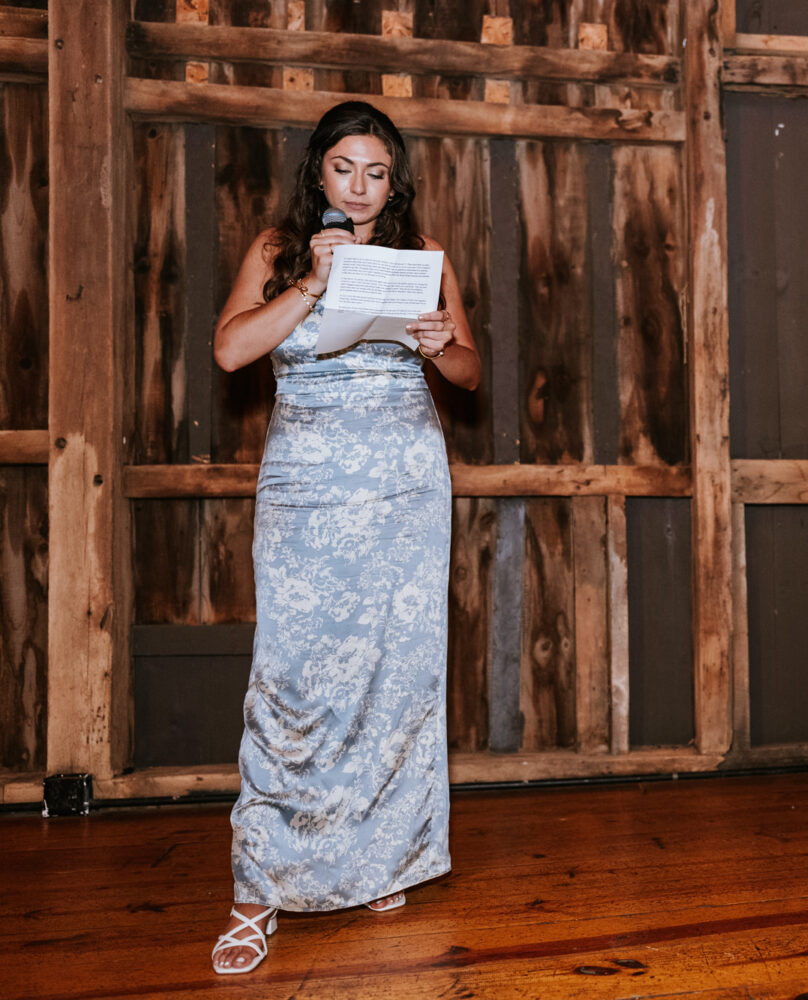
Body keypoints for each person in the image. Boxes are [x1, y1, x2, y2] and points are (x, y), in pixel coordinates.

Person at [209, 101, 480, 975]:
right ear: (317, 171)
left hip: (406, 483)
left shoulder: (421, 259)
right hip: (308, 488)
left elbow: (472, 371)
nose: (360, 188)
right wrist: (312, 285)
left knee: (396, 677)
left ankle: (379, 858)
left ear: (392, 182)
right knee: (291, 681)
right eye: (344, 169)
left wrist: (441, 346)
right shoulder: (277, 250)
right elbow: (229, 354)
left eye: (377, 173)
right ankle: (259, 890)